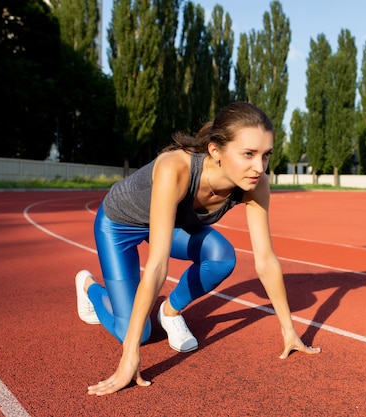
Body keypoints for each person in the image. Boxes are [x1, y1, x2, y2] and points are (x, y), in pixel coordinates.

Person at [75, 102, 321, 396]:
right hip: (120, 224)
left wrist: (289, 329)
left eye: (266, 155)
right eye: (248, 154)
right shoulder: (175, 168)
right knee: (137, 334)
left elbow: (266, 260)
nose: (260, 167)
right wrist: (130, 357)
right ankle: (89, 287)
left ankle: (170, 311)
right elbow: (157, 266)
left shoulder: (256, 184)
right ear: (216, 150)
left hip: (172, 222)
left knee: (221, 257)